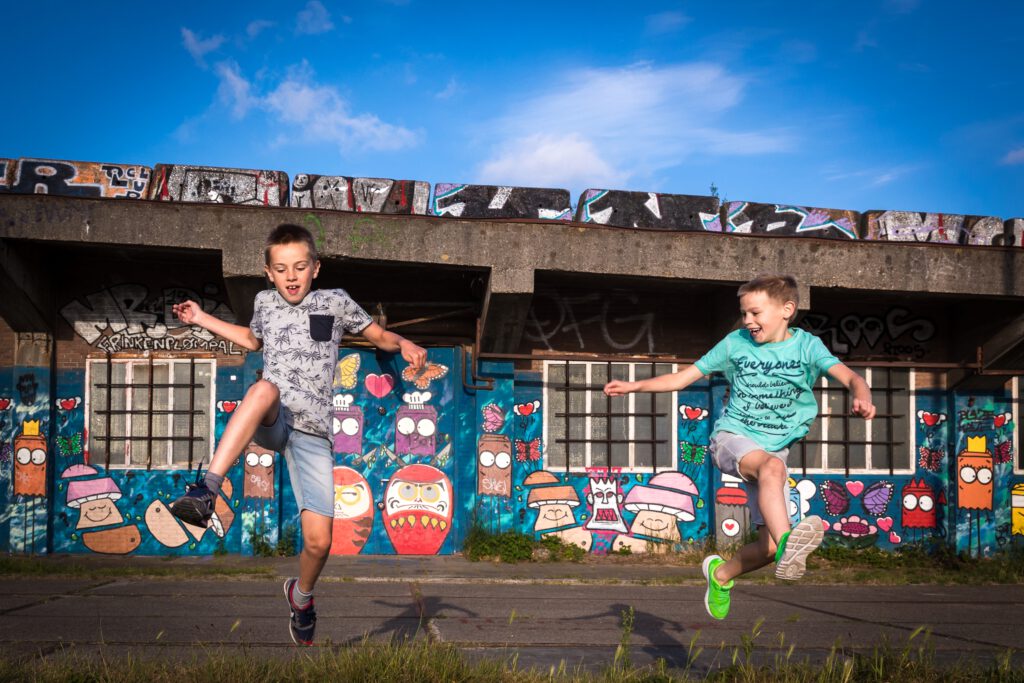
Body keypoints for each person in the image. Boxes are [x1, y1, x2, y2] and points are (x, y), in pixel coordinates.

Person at [169, 223, 427, 645]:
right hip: (276, 419)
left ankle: (302, 596)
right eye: (282, 268)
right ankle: (206, 489)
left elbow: (378, 336)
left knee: (320, 542)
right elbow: (252, 342)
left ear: (315, 268)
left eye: (300, 267)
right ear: (269, 272)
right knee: (263, 387)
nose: (291, 276)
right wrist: (200, 318)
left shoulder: (335, 302)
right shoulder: (264, 302)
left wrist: (406, 343)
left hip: (313, 435)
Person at [603, 274, 874, 620]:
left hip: (773, 450)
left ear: (786, 310)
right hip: (731, 439)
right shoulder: (735, 344)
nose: (748, 321)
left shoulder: (807, 347)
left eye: (756, 313)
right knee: (772, 471)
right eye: (744, 313)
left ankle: (721, 574)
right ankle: (791, 546)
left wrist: (862, 396)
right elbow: (682, 377)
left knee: (769, 546)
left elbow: (851, 377)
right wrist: (633, 386)